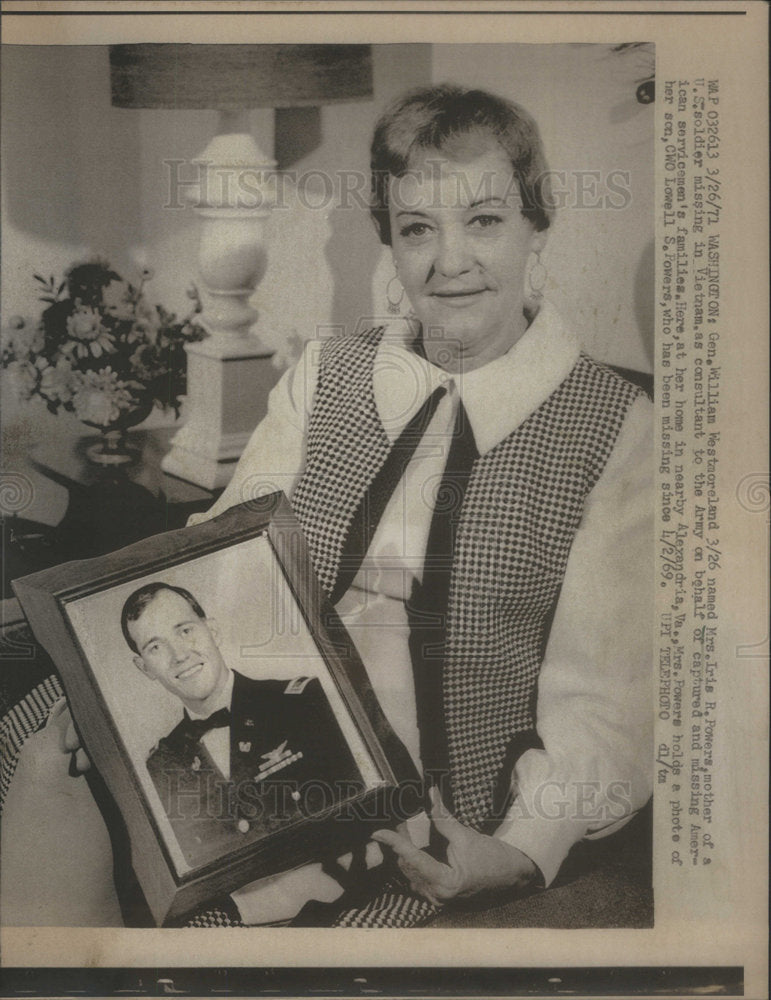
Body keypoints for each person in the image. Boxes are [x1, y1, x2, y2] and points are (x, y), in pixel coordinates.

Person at [2, 83, 652, 929]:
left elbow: (602, 703)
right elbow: (223, 553)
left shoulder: (617, 428)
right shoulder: (330, 370)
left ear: (536, 225)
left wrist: (525, 847)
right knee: (48, 752)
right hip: (256, 726)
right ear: (390, 242)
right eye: (417, 228)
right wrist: (110, 691)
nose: (448, 261)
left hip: (422, 801)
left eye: (484, 221)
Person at [121, 582, 364, 870]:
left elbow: (372, 806)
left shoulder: (303, 703)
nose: (179, 655)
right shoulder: (163, 764)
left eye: (185, 631)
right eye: (156, 647)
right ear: (145, 667)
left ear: (212, 630)